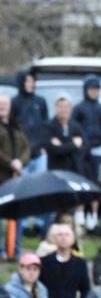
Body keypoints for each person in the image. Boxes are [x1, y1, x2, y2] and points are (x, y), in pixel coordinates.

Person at [12, 70, 49, 236]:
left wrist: (44, 145)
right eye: (27, 81)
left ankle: (40, 222)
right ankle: (25, 223)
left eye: (32, 81)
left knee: (40, 189)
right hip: (22, 155)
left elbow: (45, 124)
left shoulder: (40, 101)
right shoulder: (15, 102)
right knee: (24, 189)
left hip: (39, 152)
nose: (31, 84)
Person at [72, 77, 101, 220]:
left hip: (97, 149)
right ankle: (80, 212)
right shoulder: (78, 108)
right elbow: (74, 129)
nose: (94, 92)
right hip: (82, 152)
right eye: (92, 89)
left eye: (97, 90)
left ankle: (93, 215)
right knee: (81, 181)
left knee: (96, 183)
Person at [44, 95, 86, 175]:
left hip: (75, 170)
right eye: (60, 106)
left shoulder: (76, 126)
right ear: (56, 108)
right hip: (57, 171)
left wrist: (63, 145)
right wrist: (74, 144)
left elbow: (85, 146)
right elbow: (56, 150)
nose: (64, 110)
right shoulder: (49, 126)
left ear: (71, 109)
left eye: (66, 107)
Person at [0, 93, 31, 185]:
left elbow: (27, 147)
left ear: (10, 107)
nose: (2, 107)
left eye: (5, 104)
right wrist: (11, 163)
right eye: (0, 104)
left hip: (17, 174)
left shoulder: (16, 126)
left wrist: (21, 162)